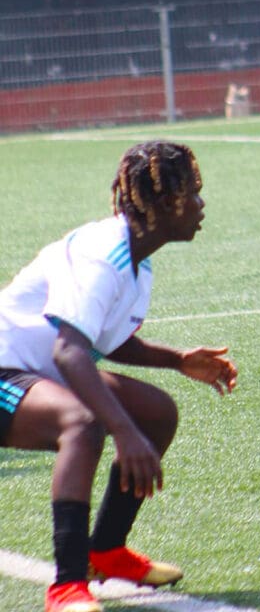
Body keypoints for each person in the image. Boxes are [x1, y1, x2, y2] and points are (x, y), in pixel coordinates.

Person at [0, 141, 239, 612]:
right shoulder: (102, 256)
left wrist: (178, 360)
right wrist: (123, 434)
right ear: (166, 202)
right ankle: (66, 587)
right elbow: (70, 353)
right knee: (83, 423)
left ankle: (105, 550)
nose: (200, 204)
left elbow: (99, 342)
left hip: (37, 370)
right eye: (192, 192)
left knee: (156, 412)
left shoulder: (138, 255)